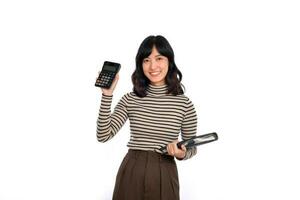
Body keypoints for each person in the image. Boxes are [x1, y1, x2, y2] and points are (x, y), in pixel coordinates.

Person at [96, 35, 198, 200]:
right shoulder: (130, 98)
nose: (153, 66)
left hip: (165, 170)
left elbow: (191, 147)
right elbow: (103, 135)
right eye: (146, 60)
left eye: (159, 58)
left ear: (169, 62)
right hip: (132, 170)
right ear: (140, 64)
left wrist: (180, 153)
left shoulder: (184, 104)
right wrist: (107, 95)